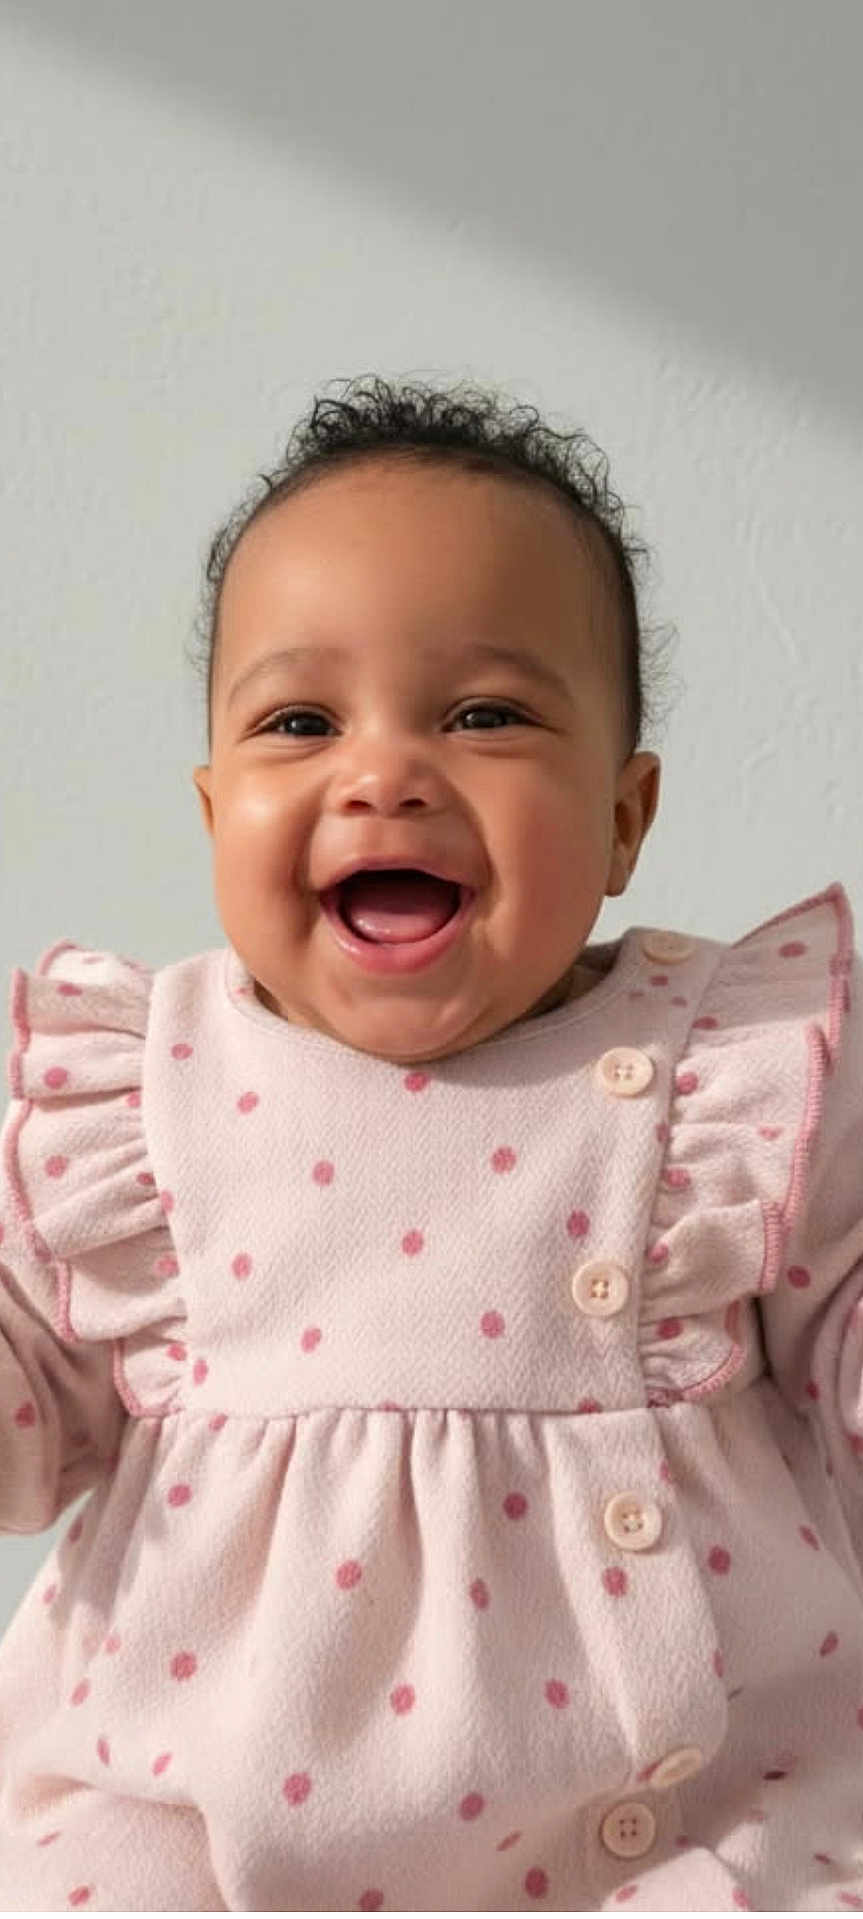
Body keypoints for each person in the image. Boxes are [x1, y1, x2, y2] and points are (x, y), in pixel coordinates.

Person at [0, 375, 860, 1913]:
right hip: (200, 1814)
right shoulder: (142, 1098)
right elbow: (33, 1361)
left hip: (685, 1807)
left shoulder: (725, 1075)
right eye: (299, 720)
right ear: (214, 813)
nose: (383, 770)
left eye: (485, 715)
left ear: (622, 816)